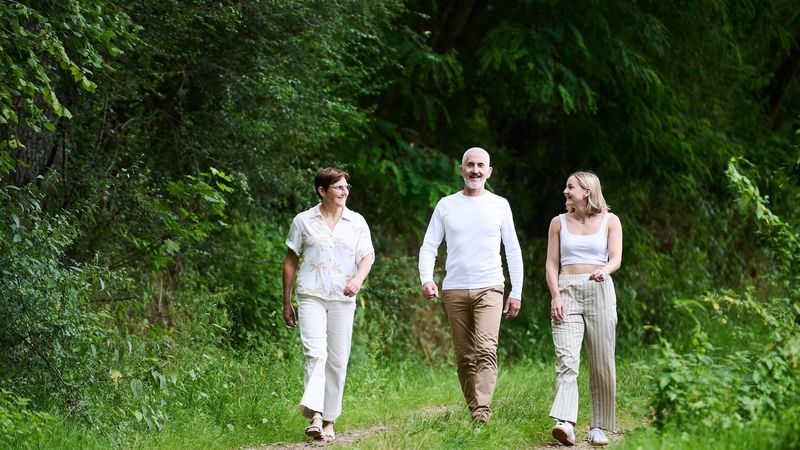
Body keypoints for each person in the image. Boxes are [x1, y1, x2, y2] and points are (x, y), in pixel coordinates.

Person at [418, 147, 523, 423]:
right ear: (461, 169)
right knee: (464, 356)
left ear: (489, 172)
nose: (475, 170)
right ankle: (474, 408)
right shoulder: (446, 205)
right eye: (470, 165)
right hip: (454, 289)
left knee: (486, 348)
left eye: (481, 165)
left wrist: (517, 292)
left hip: (490, 286)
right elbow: (429, 246)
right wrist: (427, 278)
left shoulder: (499, 205)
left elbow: (512, 249)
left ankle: (482, 411)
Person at [282, 167, 375, 441]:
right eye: (338, 187)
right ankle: (316, 415)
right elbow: (290, 260)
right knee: (315, 353)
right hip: (310, 294)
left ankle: (330, 420)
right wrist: (286, 301)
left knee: (337, 360)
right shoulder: (303, 221)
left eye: (346, 187)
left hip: (343, 299)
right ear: (322, 191)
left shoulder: (356, 222)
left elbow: (367, 256)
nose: (345, 192)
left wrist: (358, 279)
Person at [545, 171, 622, 447]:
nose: (565, 191)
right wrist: (555, 295)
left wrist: (605, 270)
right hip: (567, 290)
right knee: (567, 359)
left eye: (570, 187)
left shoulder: (610, 221)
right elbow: (551, 264)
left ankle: (599, 426)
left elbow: (616, 258)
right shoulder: (558, 223)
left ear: (587, 191)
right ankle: (565, 422)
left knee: (602, 361)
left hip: (599, 291)